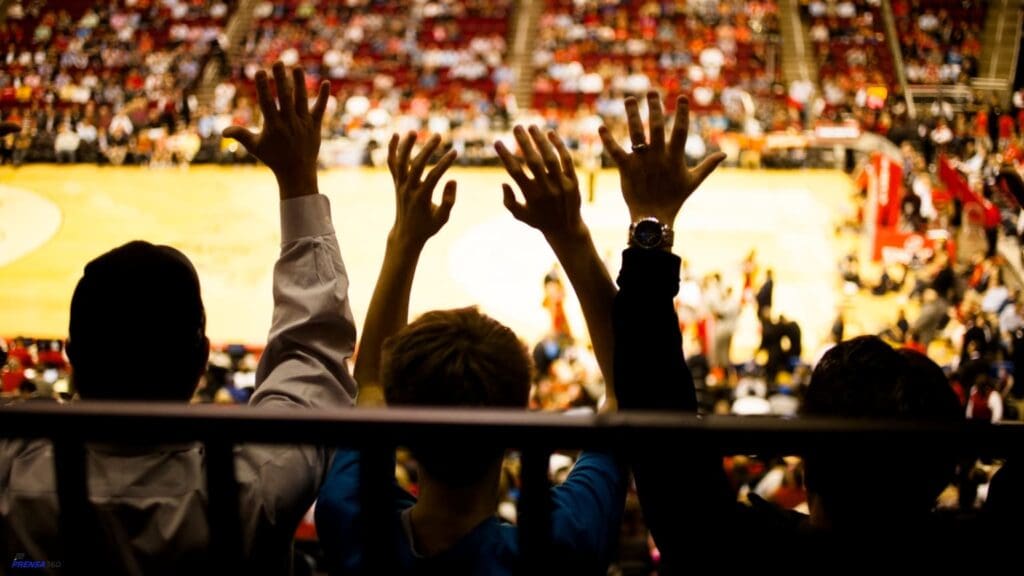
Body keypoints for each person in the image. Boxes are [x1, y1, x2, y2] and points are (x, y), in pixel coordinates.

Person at [0, 64, 355, 573]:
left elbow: (311, 351)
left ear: (74, 358)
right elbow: (314, 353)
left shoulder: (10, 469)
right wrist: (298, 180)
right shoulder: (253, 487)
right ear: (199, 358)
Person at [605, 91, 973, 564]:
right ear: (944, 465)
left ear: (806, 465)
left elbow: (654, 417)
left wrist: (647, 225)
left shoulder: (736, 551)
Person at [315, 125, 625, 573]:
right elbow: (624, 390)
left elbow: (370, 384)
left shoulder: (350, 516)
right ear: (520, 416)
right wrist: (570, 234)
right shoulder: (561, 542)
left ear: (400, 427)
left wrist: (404, 238)